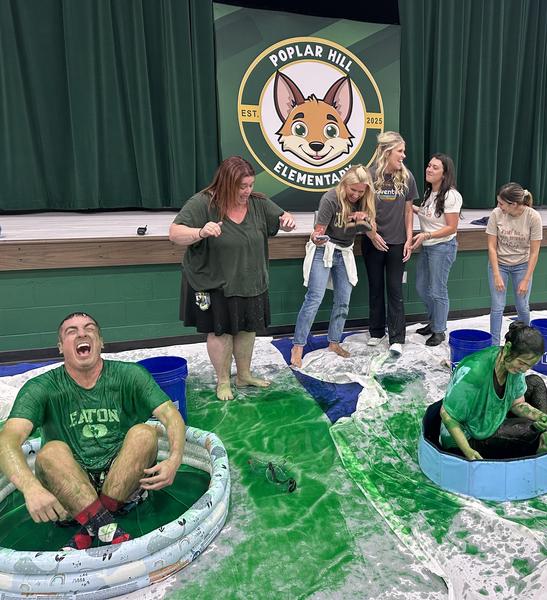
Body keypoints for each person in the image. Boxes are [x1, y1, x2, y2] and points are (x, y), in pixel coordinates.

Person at [0, 312, 186, 550]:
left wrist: (175, 459)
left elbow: (171, 415)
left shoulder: (130, 375)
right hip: (68, 488)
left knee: (145, 433)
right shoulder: (41, 387)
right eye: (71, 331)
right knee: (50, 452)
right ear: (60, 347)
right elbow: (7, 440)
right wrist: (31, 488)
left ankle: (93, 525)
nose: (82, 333)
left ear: (100, 342)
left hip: (121, 484)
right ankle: (106, 527)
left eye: (89, 329)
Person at [169, 156, 295, 400]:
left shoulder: (258, 202)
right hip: (214, 282)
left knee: (248, 329)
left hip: (251, 280)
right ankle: (223, 380)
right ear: (226, 183)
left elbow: (282, 217)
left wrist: (287, 221)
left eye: (250, 185)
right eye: (242, 187)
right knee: (221, 332)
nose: (248, 191)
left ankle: (244, 375)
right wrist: (200, 231)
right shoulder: (203, 203)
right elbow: (175, 233)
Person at [290, 165, 376, 368]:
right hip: (325, 249)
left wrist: (365, 221)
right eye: (352, 190)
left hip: (345, 251)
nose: (355, 195)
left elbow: (371, 228)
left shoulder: (366, 200)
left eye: (360, 191)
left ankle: (334, 342)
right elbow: (318, 231)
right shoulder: (330, 198)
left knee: (343, 300)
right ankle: (298, 346)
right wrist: (317, 238)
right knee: (314, 298)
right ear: (344, 184)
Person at [439, 322, 547, 460]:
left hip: (492, 415)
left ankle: (546, 437)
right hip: (465, 437)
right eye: (522, 363)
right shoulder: (475, 371)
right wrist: (467, 451)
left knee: (536, 383)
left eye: (529, 365)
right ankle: (538, 440)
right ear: (507, 348)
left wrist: (538, 415)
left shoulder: (512, 364)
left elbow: (516, 403)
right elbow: (446, 414)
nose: (524, 369)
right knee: (529, 429)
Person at [362, 131, 419, 355]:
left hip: (397, 243)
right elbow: (363, 210)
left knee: (395, 289)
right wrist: (372, 235)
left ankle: (397, 337)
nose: (404, 156)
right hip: (373, 241)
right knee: (375, 287)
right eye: (400, 151)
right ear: (387, 152)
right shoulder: (368, 175)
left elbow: (408, 211)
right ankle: (376, 332)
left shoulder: (407, 177)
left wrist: (408, 239)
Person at [409, 153, 462, 347]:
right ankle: (434, 322)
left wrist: (427, 235)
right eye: (429, 165)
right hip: (428, 246)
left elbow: (451, 227)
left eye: (435, 167)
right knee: (422, 287)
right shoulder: (429, 192)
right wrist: (407, 206)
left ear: (445, 173)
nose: (429, 169)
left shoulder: (451, 196)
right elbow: (426, 214)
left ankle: (439, 330)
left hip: (442, 247)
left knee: (438, 290)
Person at [486, 182, 543, 345]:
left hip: (522, 265)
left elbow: (534, 252)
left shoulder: (533, 217)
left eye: (502, 203)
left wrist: (526, 279)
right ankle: (494, 346)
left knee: (523, 306)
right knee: (497, 306)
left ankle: (524, 342)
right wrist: (496, 274)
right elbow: (491, 247)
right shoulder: (496, 214)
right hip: (499, 264)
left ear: (514, 204)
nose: (499, 206)